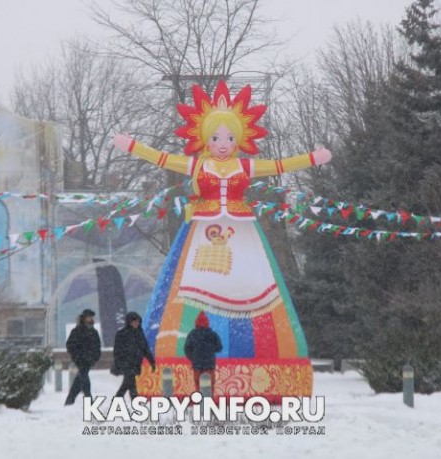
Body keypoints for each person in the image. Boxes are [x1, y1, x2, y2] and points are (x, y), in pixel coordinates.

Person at [113, 80, 332, 402]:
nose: (223, 143)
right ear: (204, 138)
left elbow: (280, 166)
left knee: (258, 284)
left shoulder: (245, 166)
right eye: (216, 137)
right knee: (192, 280)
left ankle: (268, 371)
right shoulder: (198, 164)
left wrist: (313, 158)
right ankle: (177, 373)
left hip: (243, 233)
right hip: (202, 230)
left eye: (230, 137)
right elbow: (161, 158)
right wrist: (131, 146)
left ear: (240, 139)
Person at [112, 311, 155, 400]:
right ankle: (126, 400)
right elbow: (117, 351)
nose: (136, 324)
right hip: (126, 363)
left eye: (137, 322)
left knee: (130, 383)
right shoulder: (122, 334)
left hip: (135, 363)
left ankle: (133, 400)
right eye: (134, 322)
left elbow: (145, 348)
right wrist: (119, 362)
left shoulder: (140, 333)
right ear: (129, 322)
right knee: (128, 382)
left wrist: (152, 361)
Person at [64, 309, 101, 406]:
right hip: (80, 360)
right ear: (84, 318)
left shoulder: (94, 332)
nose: (90, 318)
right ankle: (89, 400)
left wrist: (95, 357)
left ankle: (70, 400)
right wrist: (77, 356)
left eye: (91, 317)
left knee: (79, 380)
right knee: (84, 378)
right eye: (88, 316)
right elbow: (70, 345)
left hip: (89, 360)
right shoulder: (76, 331)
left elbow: (97, 346)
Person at [185, 311, 222, 393]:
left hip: (197, 365)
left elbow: (187, 349)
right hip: (209, 365)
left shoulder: (192, 334)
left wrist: (193, 357)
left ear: (196, 323)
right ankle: (209, 403)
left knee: (198, 385)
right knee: (210, 385)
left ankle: (200, 402)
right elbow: (219, 348)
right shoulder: (212, 334)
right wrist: (211, 350)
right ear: (207, 322)